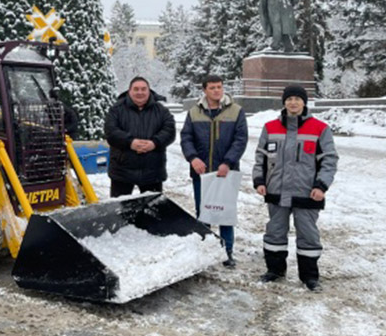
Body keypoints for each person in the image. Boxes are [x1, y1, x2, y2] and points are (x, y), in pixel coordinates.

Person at [253, 85, 338, 292]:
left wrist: (321, 185)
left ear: (304, 102)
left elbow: (329, 160)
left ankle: (309, 276)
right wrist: (259, 180)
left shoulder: (320, 129)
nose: (293, 103)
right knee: (275, 232)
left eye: (297, 99)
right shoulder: (270, 127)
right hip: (276, 191)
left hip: (307, 193)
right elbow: (260, 158)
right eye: (289, 99)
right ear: (284, 102)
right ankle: (275, 270)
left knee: (308, 235)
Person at [180, 75, 248, 267]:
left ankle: (227, 252)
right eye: (212, 88)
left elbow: (240, 139)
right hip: (202, 173)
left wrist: (228, 162)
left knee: (225, 213)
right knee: (204, 212)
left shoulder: (235, 111)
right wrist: (193, 158)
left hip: (226, 172)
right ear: (204, 90)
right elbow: (186, 138)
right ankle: (205, 251)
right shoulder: (194, 112)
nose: (217, 91)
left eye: (219, 87)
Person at [104, 76, 176, 197]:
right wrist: (130, 142)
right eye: (136, 89)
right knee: (120, 211)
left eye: (143, 89)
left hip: (153, 171)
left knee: (153, 211)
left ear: (149, 91)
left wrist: (155, 143)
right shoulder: (116, 109)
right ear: (129, 91)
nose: (140, 92)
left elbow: (169, 131)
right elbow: (111, 131)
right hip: (122, 171)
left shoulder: (162, 111)